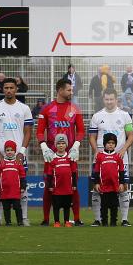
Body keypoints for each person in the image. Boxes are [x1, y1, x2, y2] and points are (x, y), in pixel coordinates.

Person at [0, 78, 34, 226]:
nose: (8, 90)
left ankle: (24, 218)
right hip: (0, 155)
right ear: (3, 89)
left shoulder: (24, 108)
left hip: (19, 155)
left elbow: (28, 132)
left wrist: (22, 152)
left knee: (22, 186)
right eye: (6, 88)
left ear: (16, 89)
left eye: (11, 88)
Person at [36, 79, 84, 226]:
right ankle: (46, 219)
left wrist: (76, 146)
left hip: (70, 155)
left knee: (73, 187)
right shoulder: (46, 109)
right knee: (49, 186)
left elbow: (81, 131)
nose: (71, 92)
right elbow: (39, 132)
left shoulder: (75, 109)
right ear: (60, 90)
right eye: (69, 90)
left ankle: (76, 218)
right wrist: (44, 147)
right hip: (51, 156)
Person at [89, 88, 133, 227]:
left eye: (111, 99)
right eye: (107, 99)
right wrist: (96, 151)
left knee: (123, 187)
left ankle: (124, 219)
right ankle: (97, 219)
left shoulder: (124, 115)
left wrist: (124, 149)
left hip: (120, 158)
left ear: (116, 99)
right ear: (103, 99)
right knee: (96, 188)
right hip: (101, 159)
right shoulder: (97, 116)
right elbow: (92, 137)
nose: (109, 102)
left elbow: (131, 135)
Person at [92, 133, 126, 227]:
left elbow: (121, 171)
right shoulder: (100, 156)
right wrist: (97, 183)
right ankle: (104, 222)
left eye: (113, 143)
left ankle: (113, 222)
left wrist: (121, 183)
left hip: (115, 186)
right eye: (108, 143)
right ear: (104, 144)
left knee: (114, 205)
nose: (110, 145)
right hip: (104, 186)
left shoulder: (118, 156)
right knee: (104, 205)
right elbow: (96, 171)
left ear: (115, 144)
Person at [48, 134, 77, 227]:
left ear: (66, 145)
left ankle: (66, 221)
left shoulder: (70, 158)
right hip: (57, 189)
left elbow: (74, 172)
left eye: (63, 143)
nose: (61, 145)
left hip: (68, 188)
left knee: (67, 206)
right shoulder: (52, 158)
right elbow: (49, 174)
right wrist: (50, 185)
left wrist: (74, 184)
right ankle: (57, 222)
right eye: (59, 143)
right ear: (55, 145)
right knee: (56, 206)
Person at [0, 140, 27, 226]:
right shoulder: (2, 163)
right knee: (6, 208)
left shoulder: (18, 163)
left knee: (17, 207)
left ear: (15, 151)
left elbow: (22, 176)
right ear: (5, 151)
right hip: (4, 191)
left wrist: (23, 187)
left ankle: (20, 222)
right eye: (7, 150)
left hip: (15, 191)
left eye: (12, 150)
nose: (10, 152)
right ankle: (8, 222)